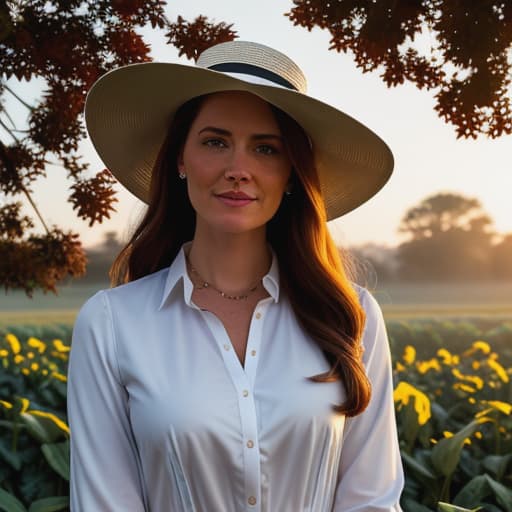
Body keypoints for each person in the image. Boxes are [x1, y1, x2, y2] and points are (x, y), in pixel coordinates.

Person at [67, 40, 404, 511]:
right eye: (215, 142)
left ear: (291, 173)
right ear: (180, 159)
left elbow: (372, 500)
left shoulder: (353, 316)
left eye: (265, 149)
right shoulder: (111, 324)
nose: (238, 169)